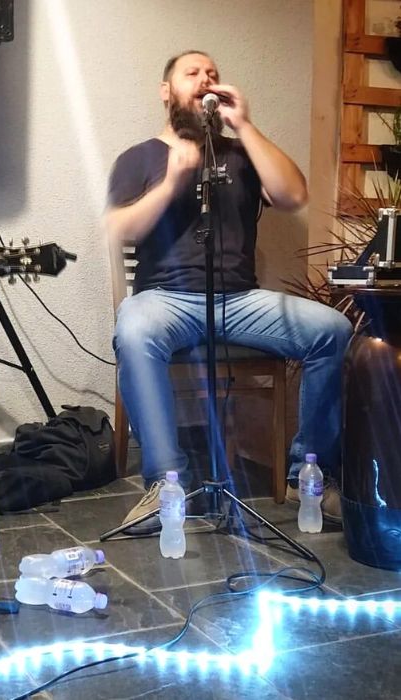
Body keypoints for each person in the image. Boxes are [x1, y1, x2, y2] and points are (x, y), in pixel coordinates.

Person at [105, 50, 352, 535]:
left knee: (332, 328)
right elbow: (118, 229)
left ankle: (310, 475)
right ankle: (166, 485)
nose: (206, 80)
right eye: (192, 73)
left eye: (213, 74)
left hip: (239, 301)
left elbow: (293, 196)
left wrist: (245, 126)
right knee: (133, 332)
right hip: (165, 299)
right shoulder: (139, 157)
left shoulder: (241, 153)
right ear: (166, 91)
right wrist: (172, 182)